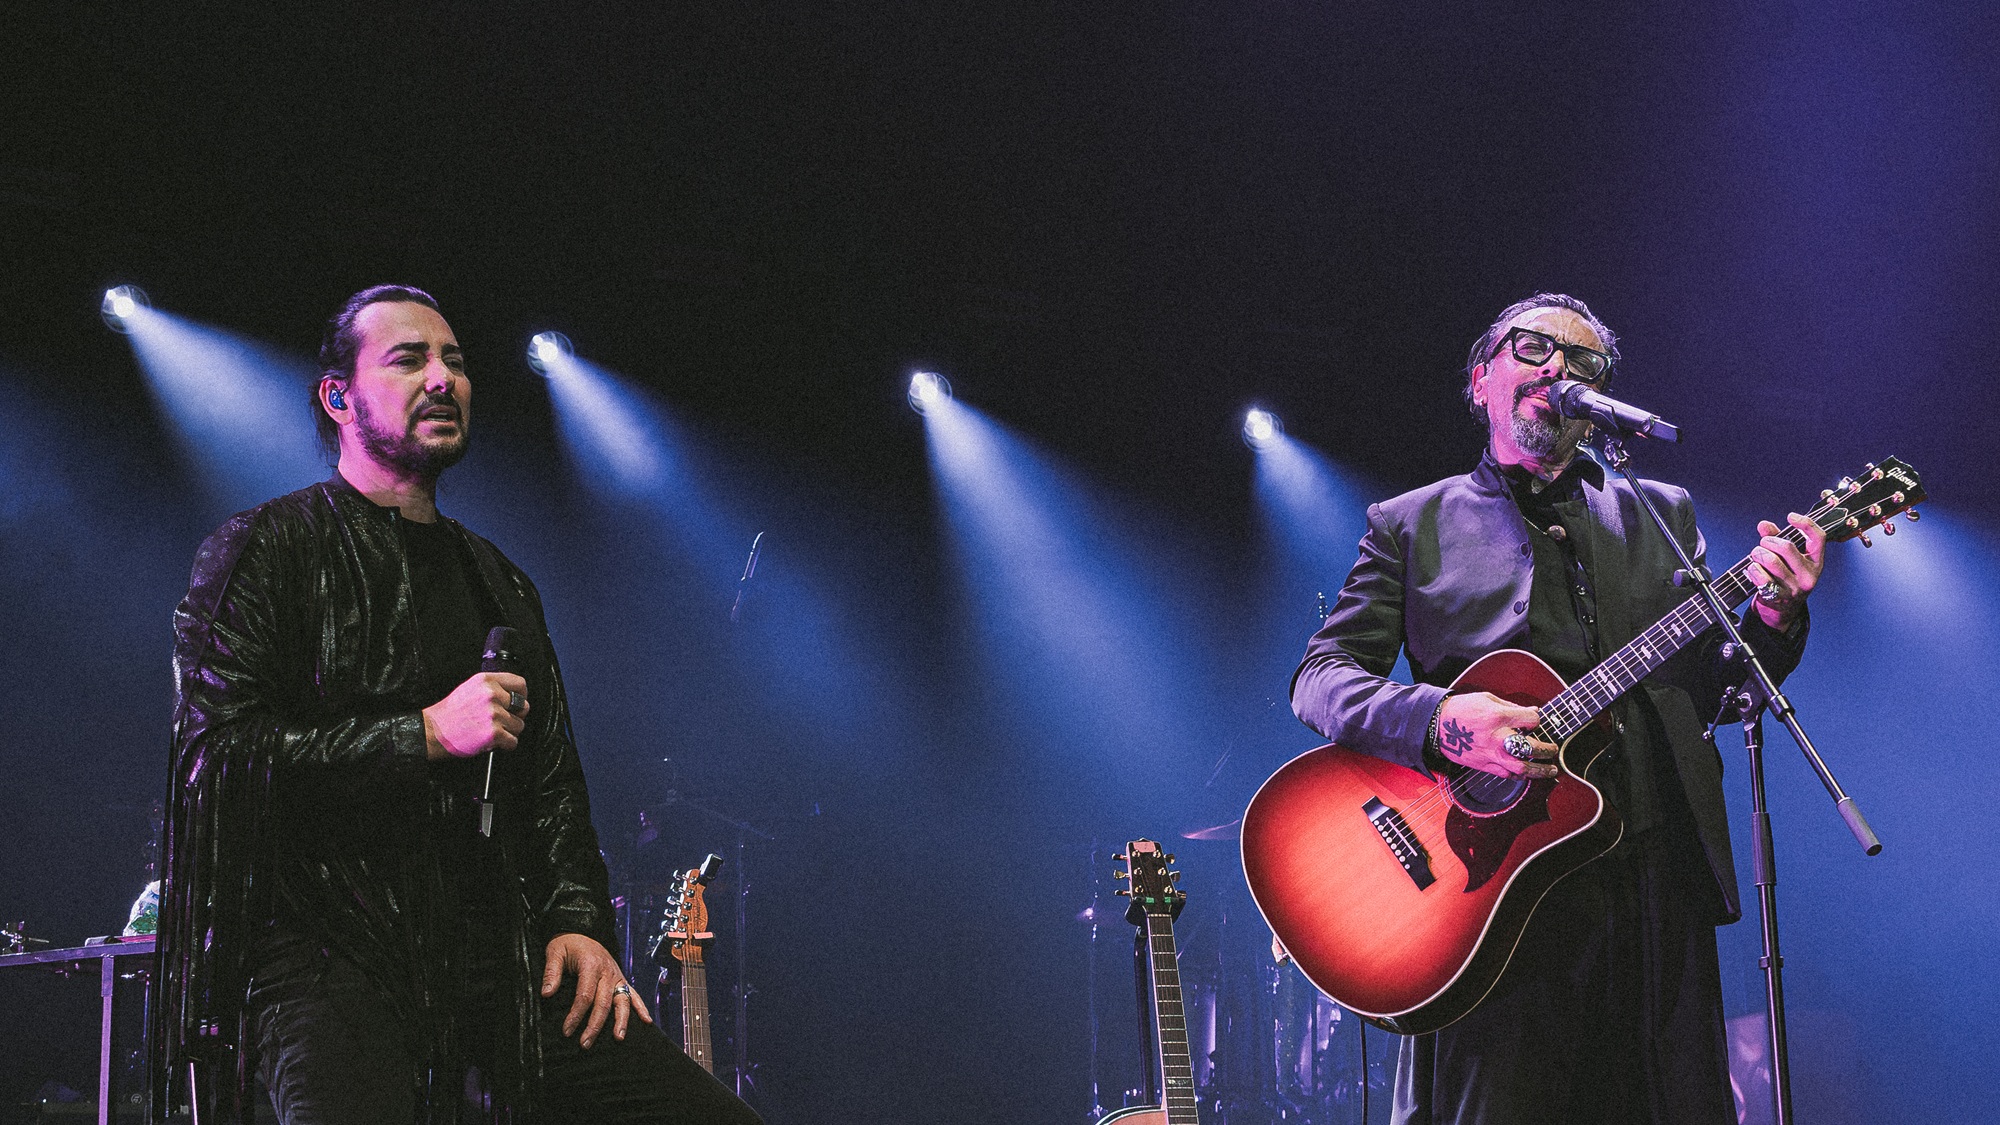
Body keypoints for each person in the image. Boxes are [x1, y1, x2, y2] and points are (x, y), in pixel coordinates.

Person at [149, 285, 762, 1125]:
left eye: (456, 361)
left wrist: (577, 920)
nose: (442, 378)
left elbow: (552, 782)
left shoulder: (499, 581)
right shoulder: (265, 549)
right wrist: (424, 734)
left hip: (491, 955)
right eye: (408, 359)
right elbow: (214, 759)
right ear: (339, 397)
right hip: (327, 949)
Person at [1289, 294, 1826, 1124]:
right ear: (1482, 379)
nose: (1558, 368)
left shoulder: (1661, 513)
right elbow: (1320, 677)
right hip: (1492, 896)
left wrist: (1775, 614)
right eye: (1534, 347)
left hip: (1654, 881)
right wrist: (1442, 721)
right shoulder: (1411, 523)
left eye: (1583, 361)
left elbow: (1718, 690)